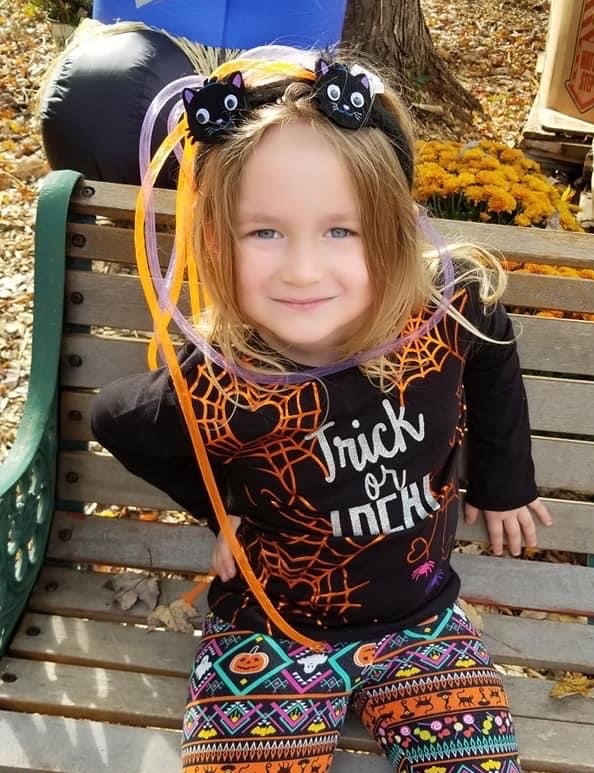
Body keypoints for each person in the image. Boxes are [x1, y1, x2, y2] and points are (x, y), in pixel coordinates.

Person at [91, 46, 552, 773]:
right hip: (271, 628)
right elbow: (116, 419)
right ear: (216, 239)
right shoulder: (224, 382)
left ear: (393, 229)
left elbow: (491, 337)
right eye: (264, 231)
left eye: (341, 229)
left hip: (424, 621)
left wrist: (506, 481)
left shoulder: (439, 313)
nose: (303, 269)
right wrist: (222, 510)